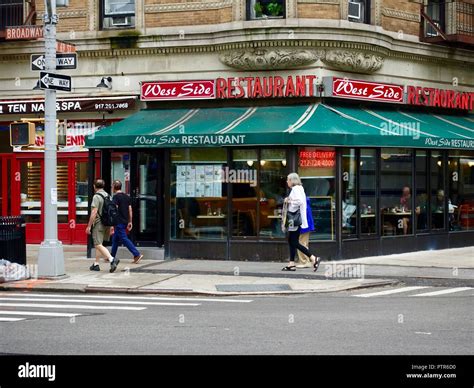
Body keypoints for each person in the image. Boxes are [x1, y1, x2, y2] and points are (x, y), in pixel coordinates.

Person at [282, 173, 321, 272]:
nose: (287, 181)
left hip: (295, 219)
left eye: (288, 180)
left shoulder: (296, 189)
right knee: (291, 240)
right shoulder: (299, 188)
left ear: (292, 180)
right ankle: (291, 264)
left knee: (294, 241)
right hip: (295, 219)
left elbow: (299, 201)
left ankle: (313, 258)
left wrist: (289, 201)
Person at [86, 179, 120, 272]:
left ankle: (112, 259)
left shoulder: (96, 196)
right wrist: (112, 225)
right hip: (107, 223)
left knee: (97, 244)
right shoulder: (108, 195)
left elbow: (94, 212)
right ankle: (96, 264)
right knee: (100, 244)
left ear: (94, 186)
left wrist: (89, 226)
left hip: (99, 223)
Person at [110, 180, 143, 264]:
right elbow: (130, 210)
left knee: (124, 238)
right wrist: (130, 221)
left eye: (112, 186)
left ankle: (137, 254)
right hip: (124, 221)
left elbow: (115, 210)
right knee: (115, 239)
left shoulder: (116, 197)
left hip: (118, 222)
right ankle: (111, 256)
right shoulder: (126, 197)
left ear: (114, 187)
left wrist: (112, 222)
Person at [296, 196, 315, 268]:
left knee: (301, 243)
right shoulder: (305, 202)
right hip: (306, 226)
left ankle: (305, 261)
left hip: (304, 226)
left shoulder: (302, 204)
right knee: (304, 243)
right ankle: (306, 261)